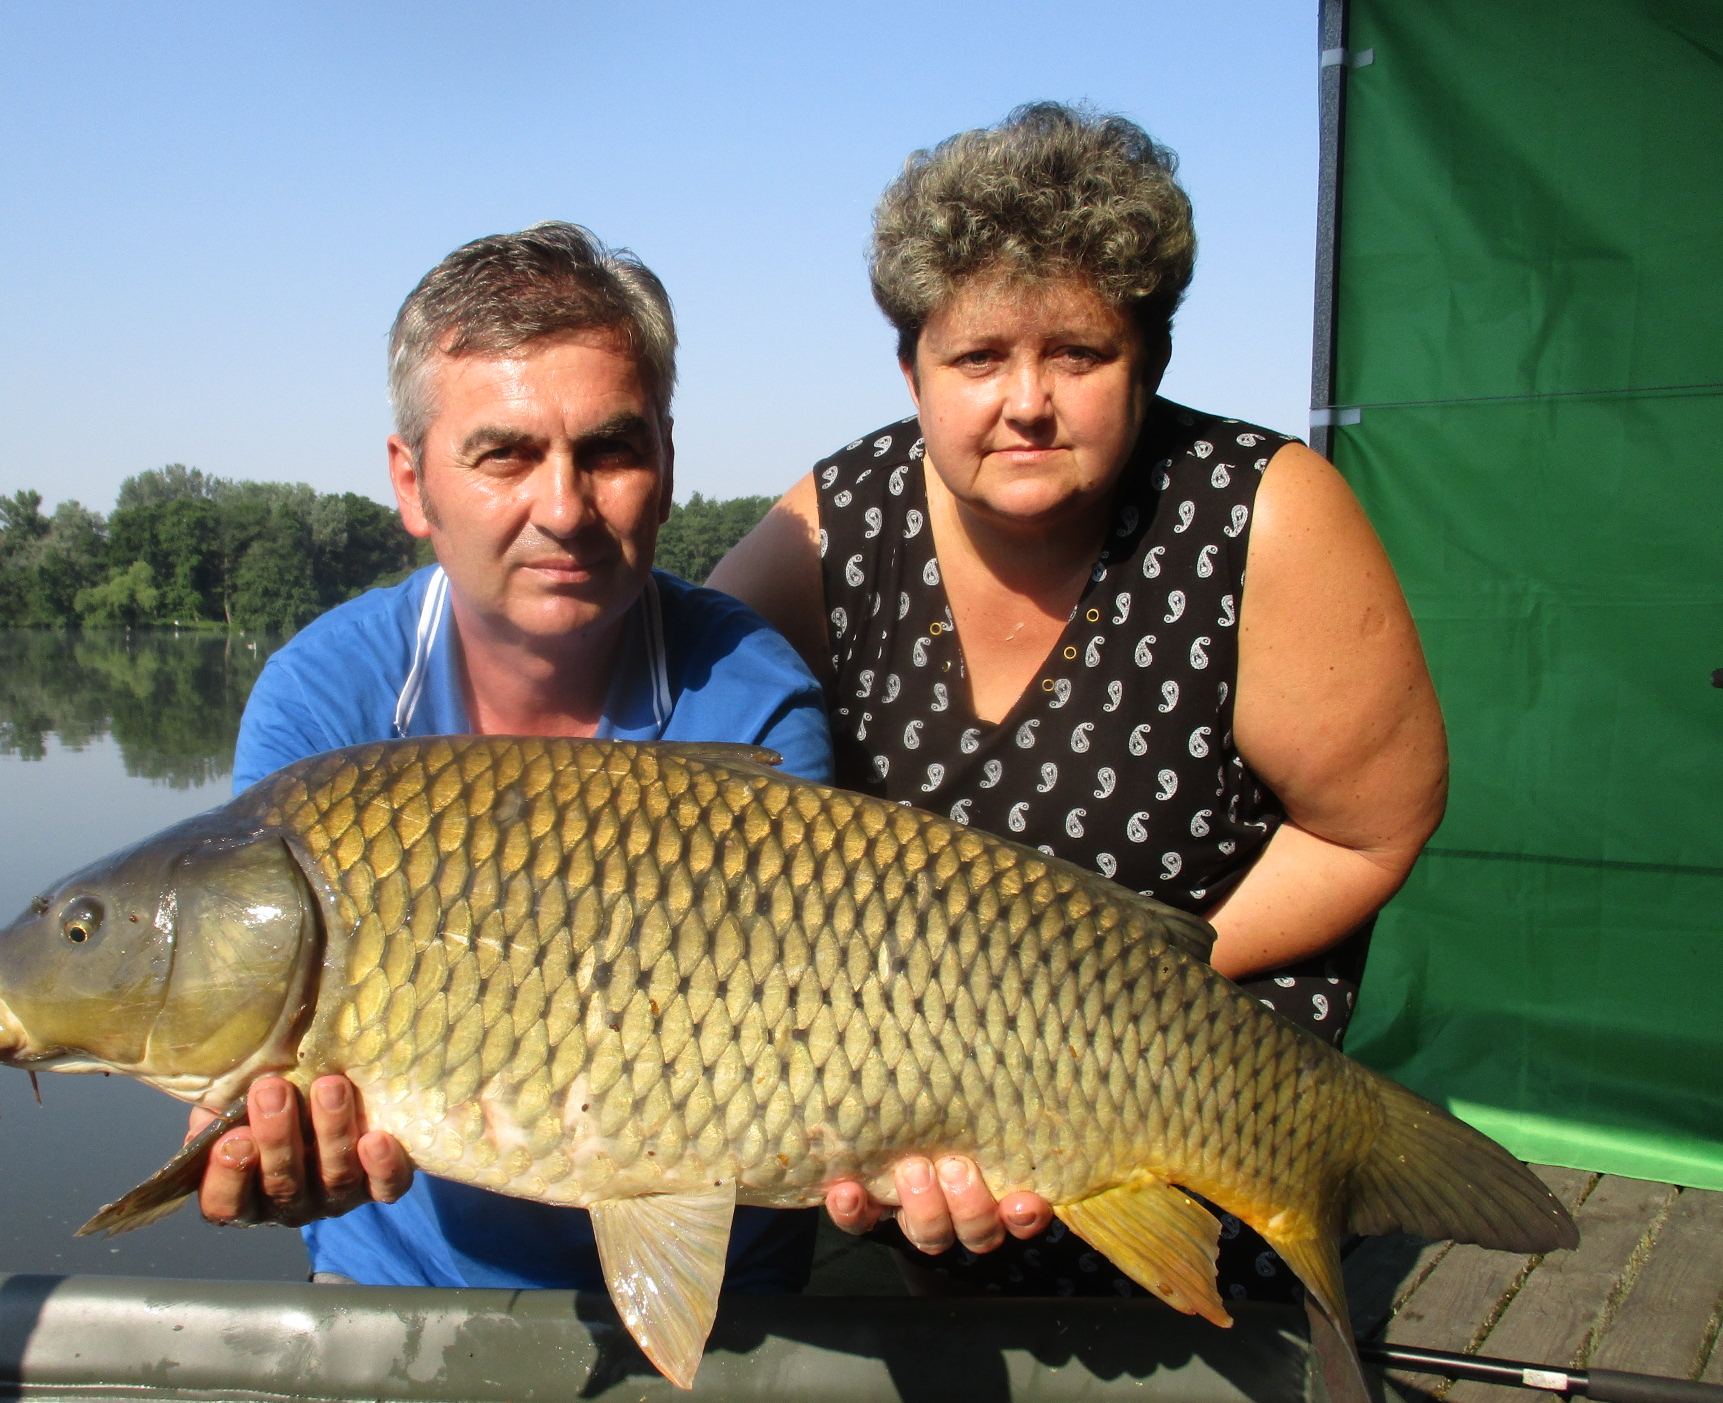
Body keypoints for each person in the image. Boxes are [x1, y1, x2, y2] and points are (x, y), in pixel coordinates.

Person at [709, 103, 1447, 1300]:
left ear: (1149, 358)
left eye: (1078, 354)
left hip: (1205, 1115)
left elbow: (1370, 826)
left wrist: (1099, 996)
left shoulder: (1259, 513)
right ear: (910, 371)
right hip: (912, 1143)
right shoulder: (833, 524)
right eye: (975, 359)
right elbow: (679, 731)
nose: (1025, 402)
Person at [195, 222, 833, 1294]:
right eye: (505, 455)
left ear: (667, 465)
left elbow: (814, 1038)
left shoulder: (750, 693)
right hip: (404, 1288)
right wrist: (249, 1134)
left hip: (730, 1282)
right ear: (411, 484)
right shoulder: (324, 704)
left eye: (610, 451)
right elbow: (261, 1037)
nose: (564, 509)